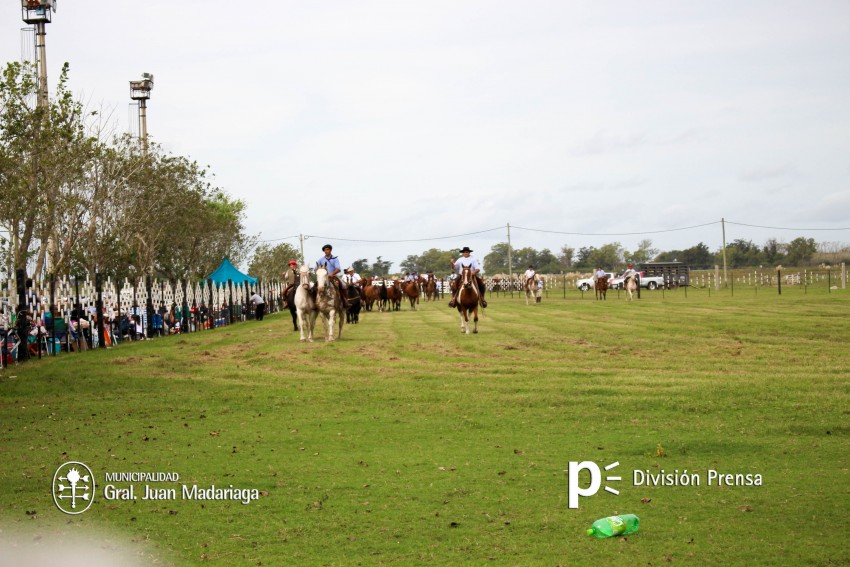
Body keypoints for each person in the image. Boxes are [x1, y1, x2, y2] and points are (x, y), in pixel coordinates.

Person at [316, 244, 351, 308]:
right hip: (323, 277)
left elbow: (338, 269)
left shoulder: (335, 259)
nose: (326, 251)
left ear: (330, 250)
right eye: (324, 250)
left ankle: (345, 301)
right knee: (314, 286)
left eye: (327, 249)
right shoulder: (320, 260)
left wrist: (331, 274)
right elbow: (315, 269)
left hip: (333, 277)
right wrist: (319, 273)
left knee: (343, 285)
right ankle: (315, 303)